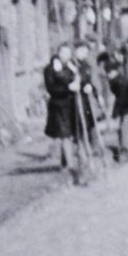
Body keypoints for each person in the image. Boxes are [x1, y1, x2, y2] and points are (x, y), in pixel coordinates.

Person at [42, 43, 80, 171]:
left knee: (70, 134)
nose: (66, 56)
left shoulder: (71, 66)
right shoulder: (50, 69)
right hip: (58, 106)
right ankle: (70, 165)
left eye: (68, 53)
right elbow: (51, 89)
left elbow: (78, 79)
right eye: (63, 53)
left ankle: (65, 163)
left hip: (72, 105)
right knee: (65, 135)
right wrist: (68, 88)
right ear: (58, 53)